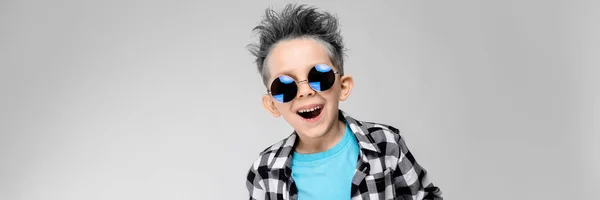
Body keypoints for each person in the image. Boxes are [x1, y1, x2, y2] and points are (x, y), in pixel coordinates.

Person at [245, 3, 442, 200]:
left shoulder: (386, 145)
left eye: (319, 77)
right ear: (271, 104)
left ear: (344, 87)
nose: (305, 91)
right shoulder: (265, 171)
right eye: (285, 86)